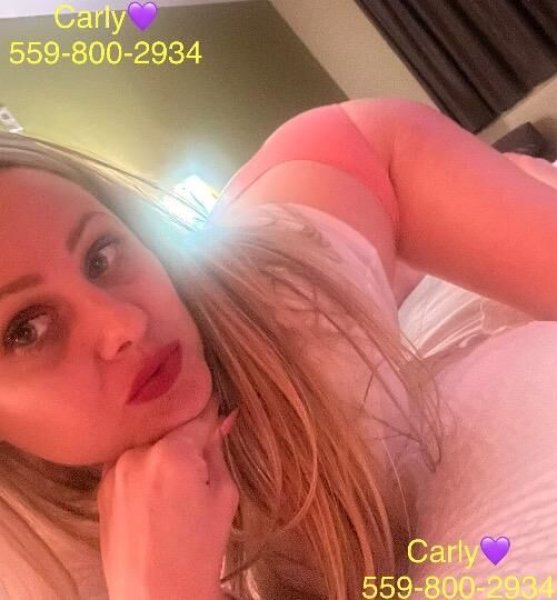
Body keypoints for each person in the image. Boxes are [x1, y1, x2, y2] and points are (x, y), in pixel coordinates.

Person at [0, 96, 555, 600]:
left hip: (348, 166)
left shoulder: (296, 328)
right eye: (26, 330)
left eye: (100, 255)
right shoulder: (25, 562)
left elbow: (357, 150)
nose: (124, 323)